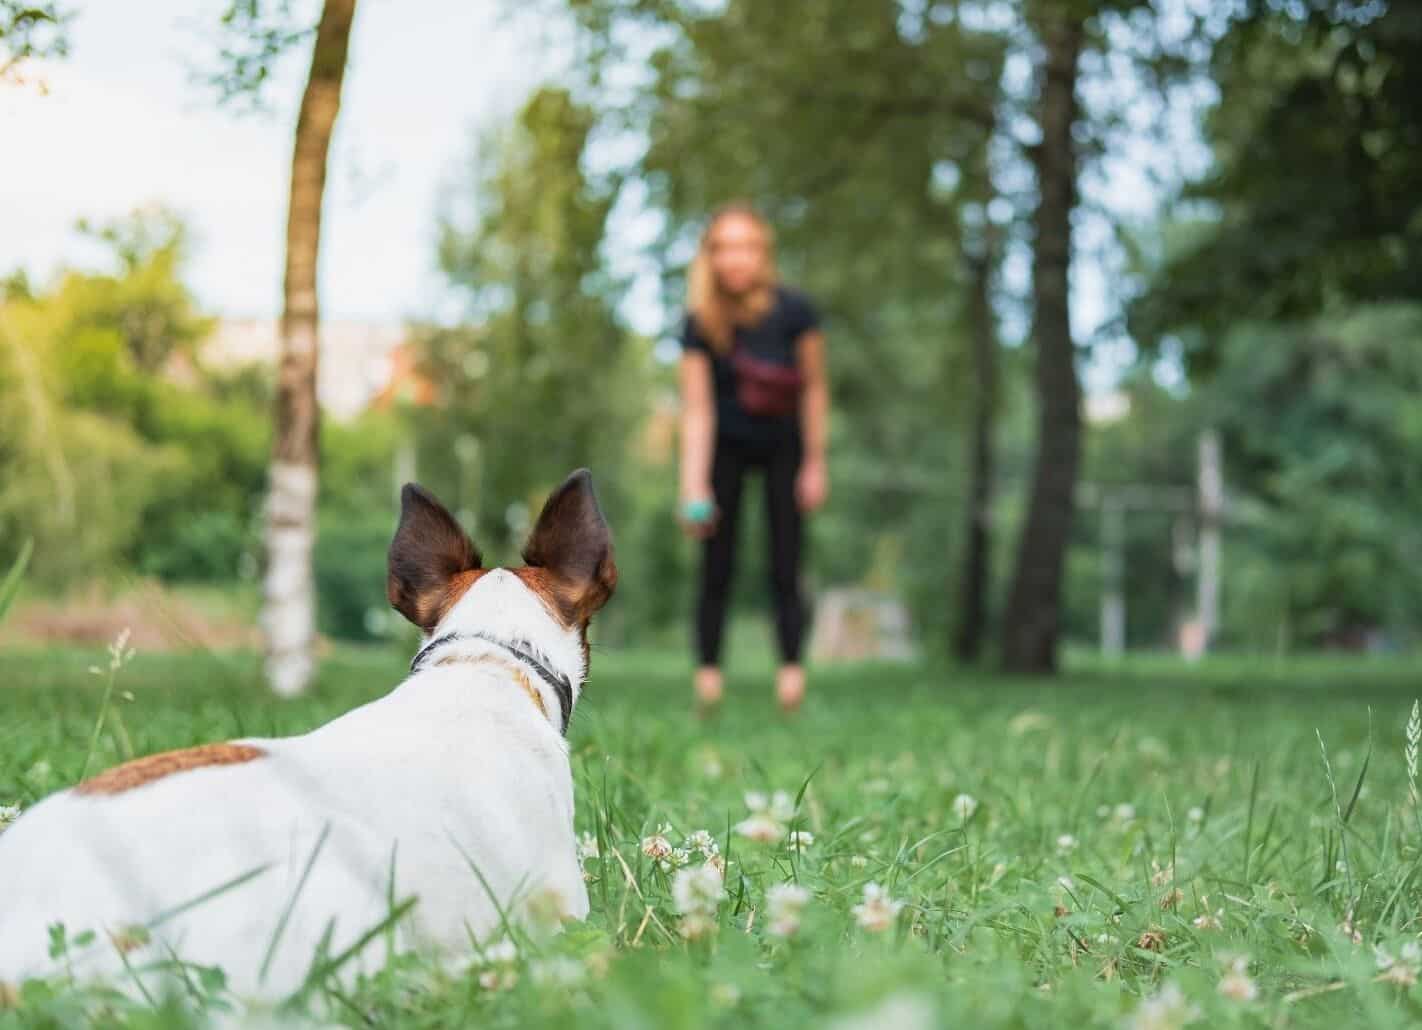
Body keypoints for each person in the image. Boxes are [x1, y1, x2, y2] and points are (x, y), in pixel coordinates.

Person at [677, 203, 829, 715]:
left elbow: (814, 390)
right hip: (726, 448)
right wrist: (693, 485)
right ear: (711, 257)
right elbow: (697, 409)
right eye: (723, 247)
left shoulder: (795, 311)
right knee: (716, 564)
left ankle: (791, 677)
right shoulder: (701, 323)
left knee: (786, 563)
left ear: (762, 252)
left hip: (785, 445)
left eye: (745, 246)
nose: (734, 258)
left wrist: (815, 462)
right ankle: (708, 680)